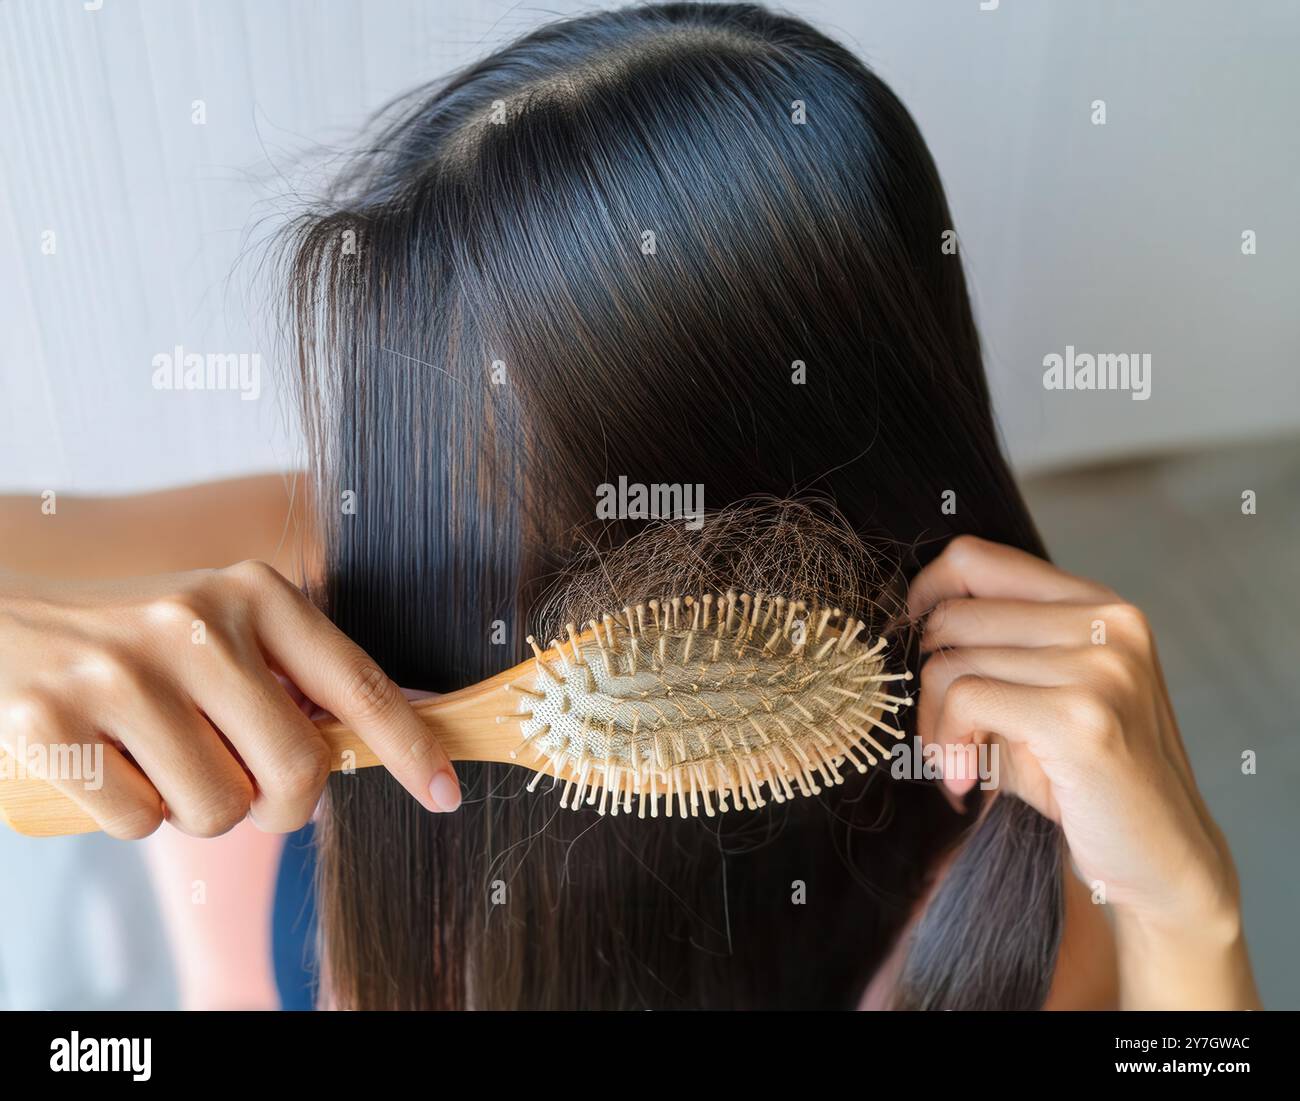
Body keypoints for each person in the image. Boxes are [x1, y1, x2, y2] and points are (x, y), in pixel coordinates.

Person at [0, 3, 1258, 1010]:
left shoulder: (971, 897)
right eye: (412, 444)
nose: (407, 523)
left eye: (494, 480)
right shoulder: (324, 552)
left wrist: (1187, 912)